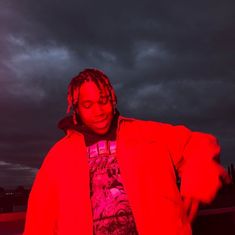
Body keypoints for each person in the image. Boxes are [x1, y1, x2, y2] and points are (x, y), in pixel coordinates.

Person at [24, 68, 229, 235]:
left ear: (112, 100)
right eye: (88, 105)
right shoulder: (58, 156)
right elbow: (40, 219)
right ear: (76, 108)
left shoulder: (148, 133)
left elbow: (198, 143)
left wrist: (197, 177)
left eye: (103, 101)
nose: (99, 111)